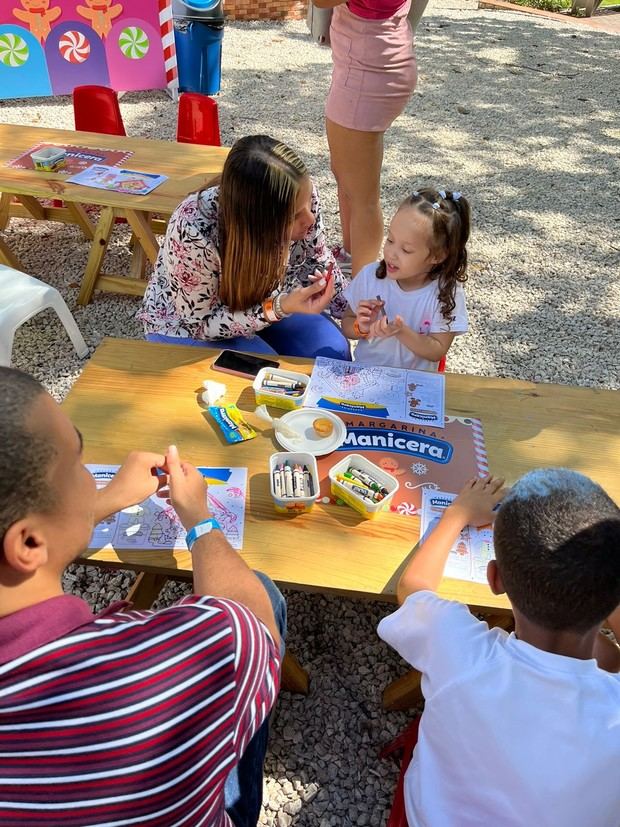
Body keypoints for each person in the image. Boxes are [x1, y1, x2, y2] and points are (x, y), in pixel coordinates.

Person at [0, 367, 286, 827]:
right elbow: (250, 624)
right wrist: (199, 519)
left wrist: (102, 501)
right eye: (77, 463)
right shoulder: (147, 671)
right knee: (264, 594)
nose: (89, 476)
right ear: (28, 544)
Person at [378, 471, 620, 827]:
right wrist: (604, 577)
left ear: (494, 579)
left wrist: (458, 513)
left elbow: (413, 588)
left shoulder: (461, 652)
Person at [139, 134, 351, 361]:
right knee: (273, 375)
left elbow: (317, 258)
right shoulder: (193, 229)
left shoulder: (298, 195)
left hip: (270, 303)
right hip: (192, 326)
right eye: (295, 216)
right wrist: (278, 308)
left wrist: (352, 310)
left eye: (309, 202)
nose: (310, 218)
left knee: (334, 353)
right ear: (257, 221)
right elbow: (201, 324)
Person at [314, 0, 417, 277]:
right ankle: (351, 257)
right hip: (364, 62)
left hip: (369, 71)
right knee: (344, 174)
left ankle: (360, 288)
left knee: (362, 196)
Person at [340, 189, 470, 370]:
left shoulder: (446, 291)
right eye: (390, 240)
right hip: (367, 376)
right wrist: (361, 326)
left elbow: (437, 350)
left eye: (406, 250)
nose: (392, 254)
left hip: (415, 386)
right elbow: (347, 323)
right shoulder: (371, 276)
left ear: (438, 256)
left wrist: (401, 331)